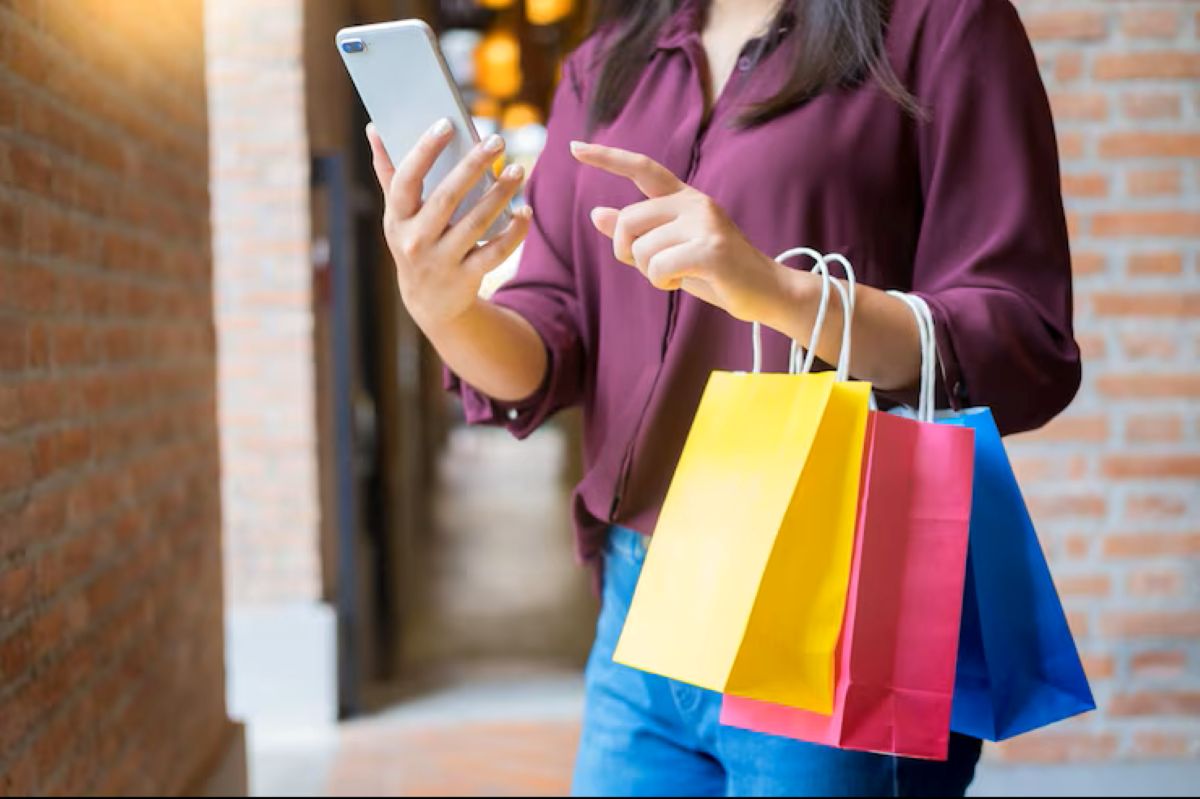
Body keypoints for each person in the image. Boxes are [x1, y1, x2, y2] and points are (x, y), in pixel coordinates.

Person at [366, 0, 1079, 794]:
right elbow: (548, 340)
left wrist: (776, 291)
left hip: (834, 590)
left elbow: (1023, 335)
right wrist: (446, 309)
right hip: (643, 598)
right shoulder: (605, 64)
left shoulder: (939, 22)